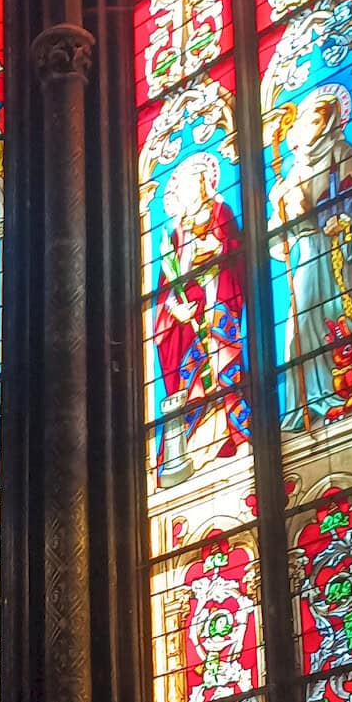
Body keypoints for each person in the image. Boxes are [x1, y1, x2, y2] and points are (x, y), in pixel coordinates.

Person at [269, 88, 352, 431]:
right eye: (306, 121)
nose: (309, 127)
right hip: (308, 254)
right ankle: (306, 402)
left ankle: (348, 388)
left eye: (316, 120)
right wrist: (281, 215)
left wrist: (346, 220)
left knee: (342, 316)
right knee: (298, 327)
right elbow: (279, 231)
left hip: (337, 251)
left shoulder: (342, 152)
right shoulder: (292, 171)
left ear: (329, 123)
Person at [150, 152, 249, 485]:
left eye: (200, 181)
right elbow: (167, 285)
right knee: (193, 379)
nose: (195, 189)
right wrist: (174, 308)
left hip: (219, 299)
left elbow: (234, 247)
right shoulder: (175, 232)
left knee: (224, 368)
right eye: (189, 185)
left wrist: (216, 248)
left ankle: (237, 435)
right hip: (190, 314)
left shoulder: (220, 211)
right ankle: (199, 447)